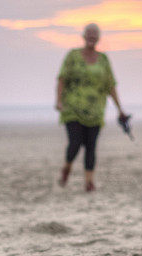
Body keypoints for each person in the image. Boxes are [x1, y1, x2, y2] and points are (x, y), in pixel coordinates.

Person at [56, 23, 129, 192]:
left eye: (94, 34)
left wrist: (120, 109)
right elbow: (61, 79)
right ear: (83, 36)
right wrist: (59, 100)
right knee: (75, 143)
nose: (91, 36)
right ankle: (67, 167)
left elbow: (111, 85)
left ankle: (89, 182)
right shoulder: (72, 56)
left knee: (91, 146)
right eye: (89, 33)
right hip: (72, 108)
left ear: (98, 38)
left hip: (96, 111)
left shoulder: (103, 60)